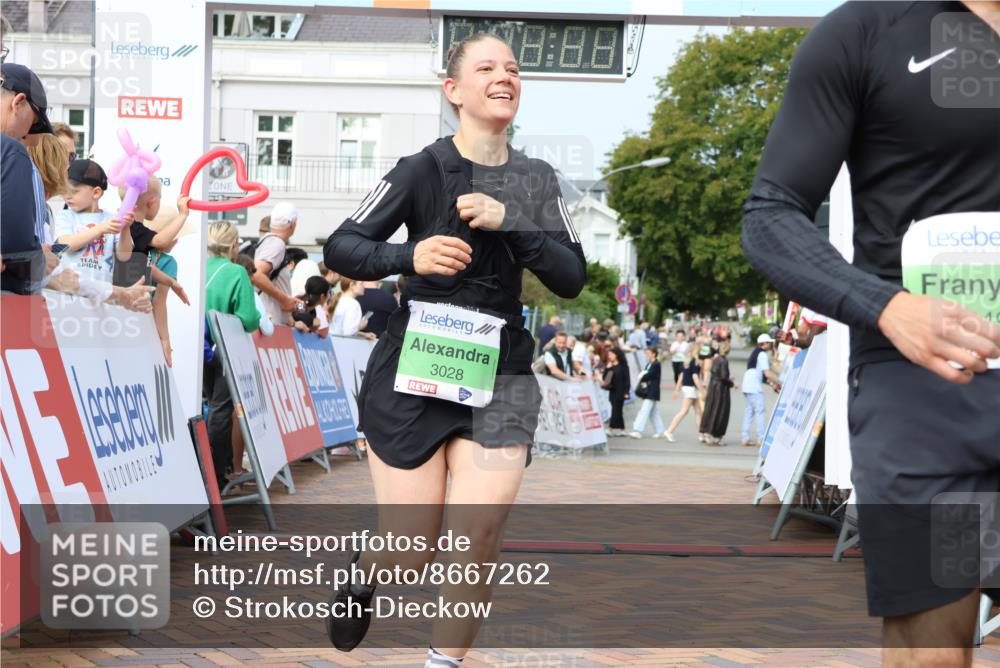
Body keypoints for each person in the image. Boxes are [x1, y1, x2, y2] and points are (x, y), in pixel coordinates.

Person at [742, 2, 1000, 661]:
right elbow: (772, 216)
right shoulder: (864, 31)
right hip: (922, 391)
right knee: (933, 650)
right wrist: (885, 306)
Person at [322, 32, 586, 664]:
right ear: (454, 90)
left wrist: (512, 221)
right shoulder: (420, 169)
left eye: (514, 69)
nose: (505, 76)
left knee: (478, 534)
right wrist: (407, 255)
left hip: (502, 372)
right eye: (488, 67)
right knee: (413, 549)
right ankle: (368, 569)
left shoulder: (537, 179)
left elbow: (572, 276)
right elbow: (339, 246)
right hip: (416, 365)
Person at [204, 221, 260, 489]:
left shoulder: (196, 266)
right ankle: (215, 473)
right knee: (220, 410)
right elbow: (249, 319)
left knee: (198, 408)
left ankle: (200, 469)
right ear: (234, 245)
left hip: (192, 348)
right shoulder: (236, 272)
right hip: (221, 350)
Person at [54, 158, 136, 283]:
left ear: (96, 193)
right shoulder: (65, 216)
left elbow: (124, 256)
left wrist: (125, 227)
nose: (67, 196)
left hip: (101, 294)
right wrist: (100, 229)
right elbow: (64, 245)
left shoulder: (111, 219)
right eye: (64, 191)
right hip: (67, 292)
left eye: (73, 191)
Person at [252, 201, 303, 326]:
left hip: (272, 322)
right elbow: (256, 274)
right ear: (293, 224)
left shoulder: (271, 242)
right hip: (269, 325)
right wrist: (285, 300)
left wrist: (292, 321)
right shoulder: (276, 243)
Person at [740, 333, 780, 447]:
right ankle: (761, 438)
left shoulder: (754, 353)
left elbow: (760, 375)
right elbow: (767, 373)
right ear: (765, 343)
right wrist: (778, 382)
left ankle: (745, 437)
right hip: (754, 386)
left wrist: (772, 385)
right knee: (760, 411)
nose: (771, 345)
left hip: (747, 384)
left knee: (749, 411)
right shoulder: (762, 355)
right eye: (769, 343)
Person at [663, 347, 703, 443]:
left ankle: (701, 434)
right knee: (684, 411)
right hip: (691, 389)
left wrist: (677, 390)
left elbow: (681, 376)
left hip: (686, 388)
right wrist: (702, 390)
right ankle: (669, 431)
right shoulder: (695, 362)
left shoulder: (684, 362)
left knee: (698, 411)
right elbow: (695, 377)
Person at [699, 341, 734, 445]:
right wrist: (731, 382)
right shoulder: (724, 360)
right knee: (719, 410)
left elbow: (715, 372)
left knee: (711, 408)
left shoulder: (716, 359)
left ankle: (706, 431)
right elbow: (723, 376)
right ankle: (713, 433)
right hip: (720, 389)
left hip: (713, 386)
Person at [629, 346, 666, 438]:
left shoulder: (656, 364)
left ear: (653, 354)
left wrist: (642, 375)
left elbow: (649, 375)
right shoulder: (649, 364)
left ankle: (637, 430)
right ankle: (660, 430)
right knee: (653, 412)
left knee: (644, 411)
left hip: (652, 391)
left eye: (648, 353)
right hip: (649, 391)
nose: (647, 355)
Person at [233, 254, 274, 336]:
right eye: (250, 274)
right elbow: (268, 330)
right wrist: (266, 319)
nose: (252, 278)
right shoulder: (250, 293)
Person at [601, 346, 631, 437]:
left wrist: (626, 392)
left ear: (617, 355)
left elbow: (627, 380)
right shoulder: (611, 366)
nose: (609, 356)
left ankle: (610, 428)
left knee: (615, 410)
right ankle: (622, 429)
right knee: (618, 410)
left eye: (611, 354)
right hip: (612, 390)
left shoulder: (623, 366)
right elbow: (604, 379)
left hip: (621, 391)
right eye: (609, 354)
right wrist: (607, 368)